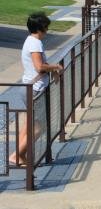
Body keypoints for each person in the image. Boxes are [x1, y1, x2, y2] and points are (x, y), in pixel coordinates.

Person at [10, 13, 63, 167]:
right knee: (39, 128)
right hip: (35, 89)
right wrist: (55, 67)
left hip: (30, 88)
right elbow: (39, 67)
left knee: (29, 124)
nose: (47, 31)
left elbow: (41, 65)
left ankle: (20, 154)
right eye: (46, 28)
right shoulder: (35, 44)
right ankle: (16, 155)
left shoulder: (30, 41)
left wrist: (51, 70)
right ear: (40, 29)